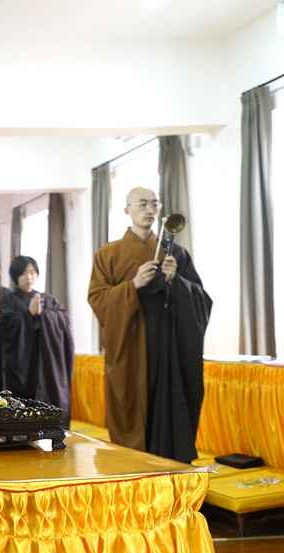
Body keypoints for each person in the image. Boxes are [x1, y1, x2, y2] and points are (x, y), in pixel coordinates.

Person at [88, 187, 212, 463]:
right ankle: (134, 472)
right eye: (142, 204)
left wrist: (175, 282)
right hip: (130, 343)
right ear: (127, 210)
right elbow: (97, 299)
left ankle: (173, 473)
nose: (149, 210)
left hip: (170, 345)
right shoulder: (108, 253)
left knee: (174, 405)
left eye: (154, 204)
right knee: (131, 406)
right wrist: (133, 286)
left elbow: (202, 299)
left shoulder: (175, 252)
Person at [0, 255, 74, 422]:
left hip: (43, 360)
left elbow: (63, 319)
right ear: (15, 275)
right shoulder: (8, 300)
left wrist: (43, 314)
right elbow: (4, 326)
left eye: (32, 272)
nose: (29, 277)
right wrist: (27, 314)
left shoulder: (48, 299)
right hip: (20, 362)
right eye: (24, 273)